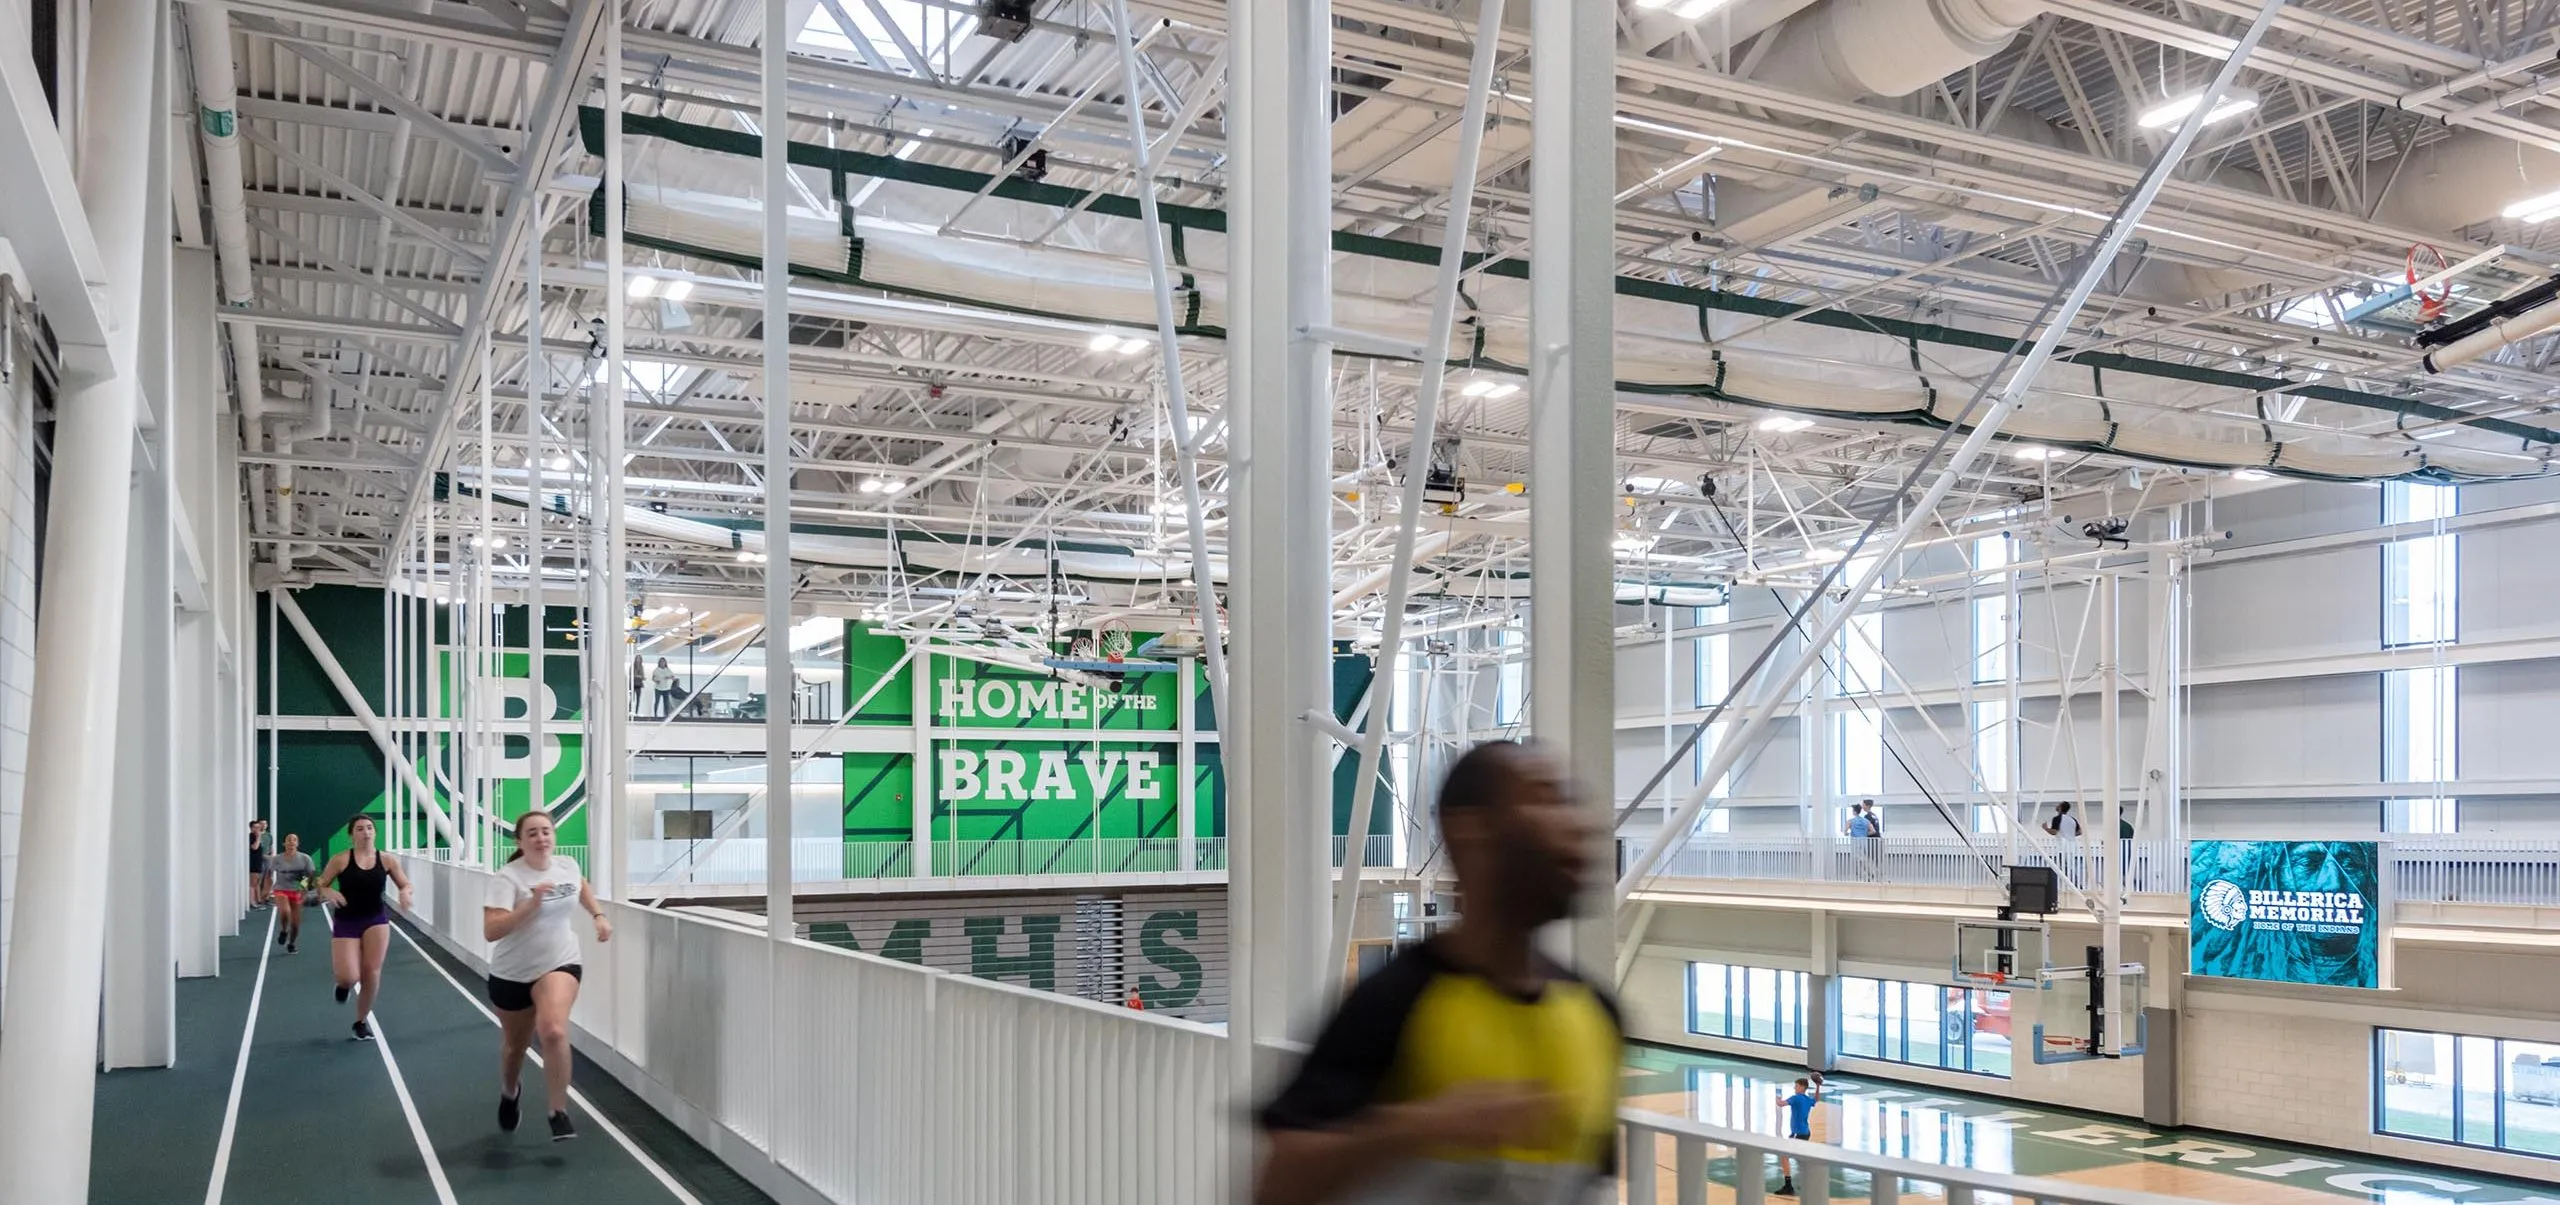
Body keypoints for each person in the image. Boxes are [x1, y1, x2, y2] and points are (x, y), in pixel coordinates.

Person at [1254, 741, 1621, 1205]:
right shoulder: (1392, 1004)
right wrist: (1414, 1129)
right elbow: (1276, 1187)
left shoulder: (1598, 1015)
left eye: (1572, 801)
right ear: (1471, 829)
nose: (1580, 824)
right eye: (1546, 797)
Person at [483, 810, 611, 1141]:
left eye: (546, 832)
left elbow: (579, 885)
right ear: (520, 841)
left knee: (553, 1030)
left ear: (554, 836)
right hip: (512, 973)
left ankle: (558, 1111)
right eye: (533, 834)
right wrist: (531, 905)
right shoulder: (507, 878)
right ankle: (510, 1092)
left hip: (561, 961)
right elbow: (492, 931)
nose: (541, 838)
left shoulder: (567, 865)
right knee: (515, 1048)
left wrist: (597, 915)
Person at [313, 815, 413, 1042]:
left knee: (372, 972)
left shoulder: (387, 860)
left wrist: (406, 892)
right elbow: (316, 883)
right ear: (352, 835)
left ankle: (360, 1021)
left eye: (369, 828)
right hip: (347, 920)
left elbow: (405, 883)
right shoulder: (341, 860)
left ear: (375, 832)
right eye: (360, 829)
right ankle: (343, 985)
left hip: (376, 920)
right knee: (348, 976)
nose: (366, 832)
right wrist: (328, 891)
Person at [266, 834, 316, 954]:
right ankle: (284, 931)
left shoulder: (305, 858)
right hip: (281, 889)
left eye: (294, 840)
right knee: (285, 911)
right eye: (288, 840)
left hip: (297, 891)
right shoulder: (277, 859)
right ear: (284, 843)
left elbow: (311, 874)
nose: (291, 842)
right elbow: (269, 874)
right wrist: (266, 889)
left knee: (295, 924)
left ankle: (292, 943)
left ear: (297, 844)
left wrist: (304, 887)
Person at [1775, 1077, 1819, 1196]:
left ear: (1802, 1087)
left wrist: (1777, 1097)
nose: (1795, 1088)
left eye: (1796, 1086)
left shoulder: (1796, 1098)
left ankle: (1788, 1186)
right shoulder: (1807, 1099)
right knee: (1800, 1158)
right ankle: (1809, 1182)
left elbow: (1781, 1104)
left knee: (1784, 1155)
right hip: (1806, 1132)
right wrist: (1818, 1087)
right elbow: (1816, 1100)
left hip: (1797, 1133)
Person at [248, 819, 271, 909]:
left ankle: (258, 901)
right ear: (251, 828)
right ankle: (252, 902)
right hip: (253, 863)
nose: (258, 829)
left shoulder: (258, 836)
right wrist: (258, 838)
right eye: (255, 827)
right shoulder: (251, 837)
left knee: (257, 882)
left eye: (259, 827)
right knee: (253, 883)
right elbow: (254, 847)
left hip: (258, 862)